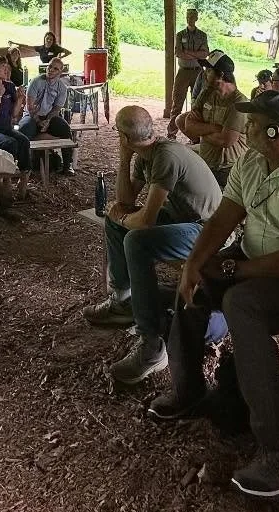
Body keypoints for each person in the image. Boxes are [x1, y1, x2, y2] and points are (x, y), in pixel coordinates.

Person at [149, 91, 279, 499]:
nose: (246, 129)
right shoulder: (253, 161)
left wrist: (232, 270)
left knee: (241, 303)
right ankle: (188, 391)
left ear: (276, 131)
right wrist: (196, 263)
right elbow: (224, 217)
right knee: (199, 275)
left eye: (254, 124)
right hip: (256, 257)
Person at [86, 105, 223, 384]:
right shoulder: (145, 154)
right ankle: (123, 300)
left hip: (208, 231)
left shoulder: (166, 157)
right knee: (116, 222)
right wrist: (124, 159)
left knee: (137, 240)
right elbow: (124, 200)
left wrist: (123, 216)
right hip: (182, 219)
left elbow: (145, 221)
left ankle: (152, 343)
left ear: (123, 136)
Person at [176, 51, 248, 176]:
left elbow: (226, 140)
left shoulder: (239, 102)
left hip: (228, 169)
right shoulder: (206, 93)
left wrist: (201, 130)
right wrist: (214, 128)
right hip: (206, 162)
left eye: (209, 71)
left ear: (220, 75)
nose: (204, 73)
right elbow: (188, 125)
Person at [20, 57, 75, 176]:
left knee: (65, 128)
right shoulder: (36, 82)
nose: (51, 70)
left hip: (49, 117)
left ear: (60, 72)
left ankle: (67, 165)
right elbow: (30, 106)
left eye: (55, 69)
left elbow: (56, 108)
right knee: (24, 129)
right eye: (50, 66)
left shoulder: (62, 88)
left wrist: (48, 121)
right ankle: (22, 166)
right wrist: (38, 121)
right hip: (32, 115)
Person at [165, 8, 210, 139]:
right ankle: (171, 133)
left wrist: (188, 53)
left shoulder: (202, 35)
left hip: (198, 73)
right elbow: (178, 53)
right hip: (183, 72)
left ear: (196, 18)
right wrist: (196, 55)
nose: (190, 18)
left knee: (198, 103)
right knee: (177, 103)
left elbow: (205, 54)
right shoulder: (180, 35)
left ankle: (195, 136)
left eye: (192, 16)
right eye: (188, 16)